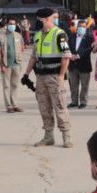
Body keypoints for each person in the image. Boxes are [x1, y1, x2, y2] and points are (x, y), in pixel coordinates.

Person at [23, 8, 73, 148]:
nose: (36, 21)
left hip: (54, 76)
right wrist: (26, 75)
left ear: (46, 19)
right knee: (44, 107)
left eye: (39, 19)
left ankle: (66, 136)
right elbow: (33, 56)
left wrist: (61, 76)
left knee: (60, 106)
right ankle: (48, 136)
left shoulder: (59, 34)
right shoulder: (38, 35)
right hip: (40, 76)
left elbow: (66, 56)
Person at [0, 16, 25, 113]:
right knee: (6, 86)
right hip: (6, 65)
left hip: (17, 64)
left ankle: (15, 105)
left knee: (15, 85)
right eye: (10, 24)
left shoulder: (18, 35)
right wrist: (2, 65)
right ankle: (9, 106)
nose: (12, 26)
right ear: (6, 25)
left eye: (14, 24)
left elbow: (22, 47)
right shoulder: (1, 36)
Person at [66, 22, 94, 109]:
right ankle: (74, 101)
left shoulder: (89, 38)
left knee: (84, 85)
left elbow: (89, 49)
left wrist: (78, 55)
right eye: (80, 26)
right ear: (77, 27)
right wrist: (70, 55)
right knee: (73, 84)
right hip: (72, 64)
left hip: (84, 64)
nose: (81, 28)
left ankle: (83, 101)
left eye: (83, 26)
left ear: (86, 28)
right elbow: (67, 47)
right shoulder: (72, 36)